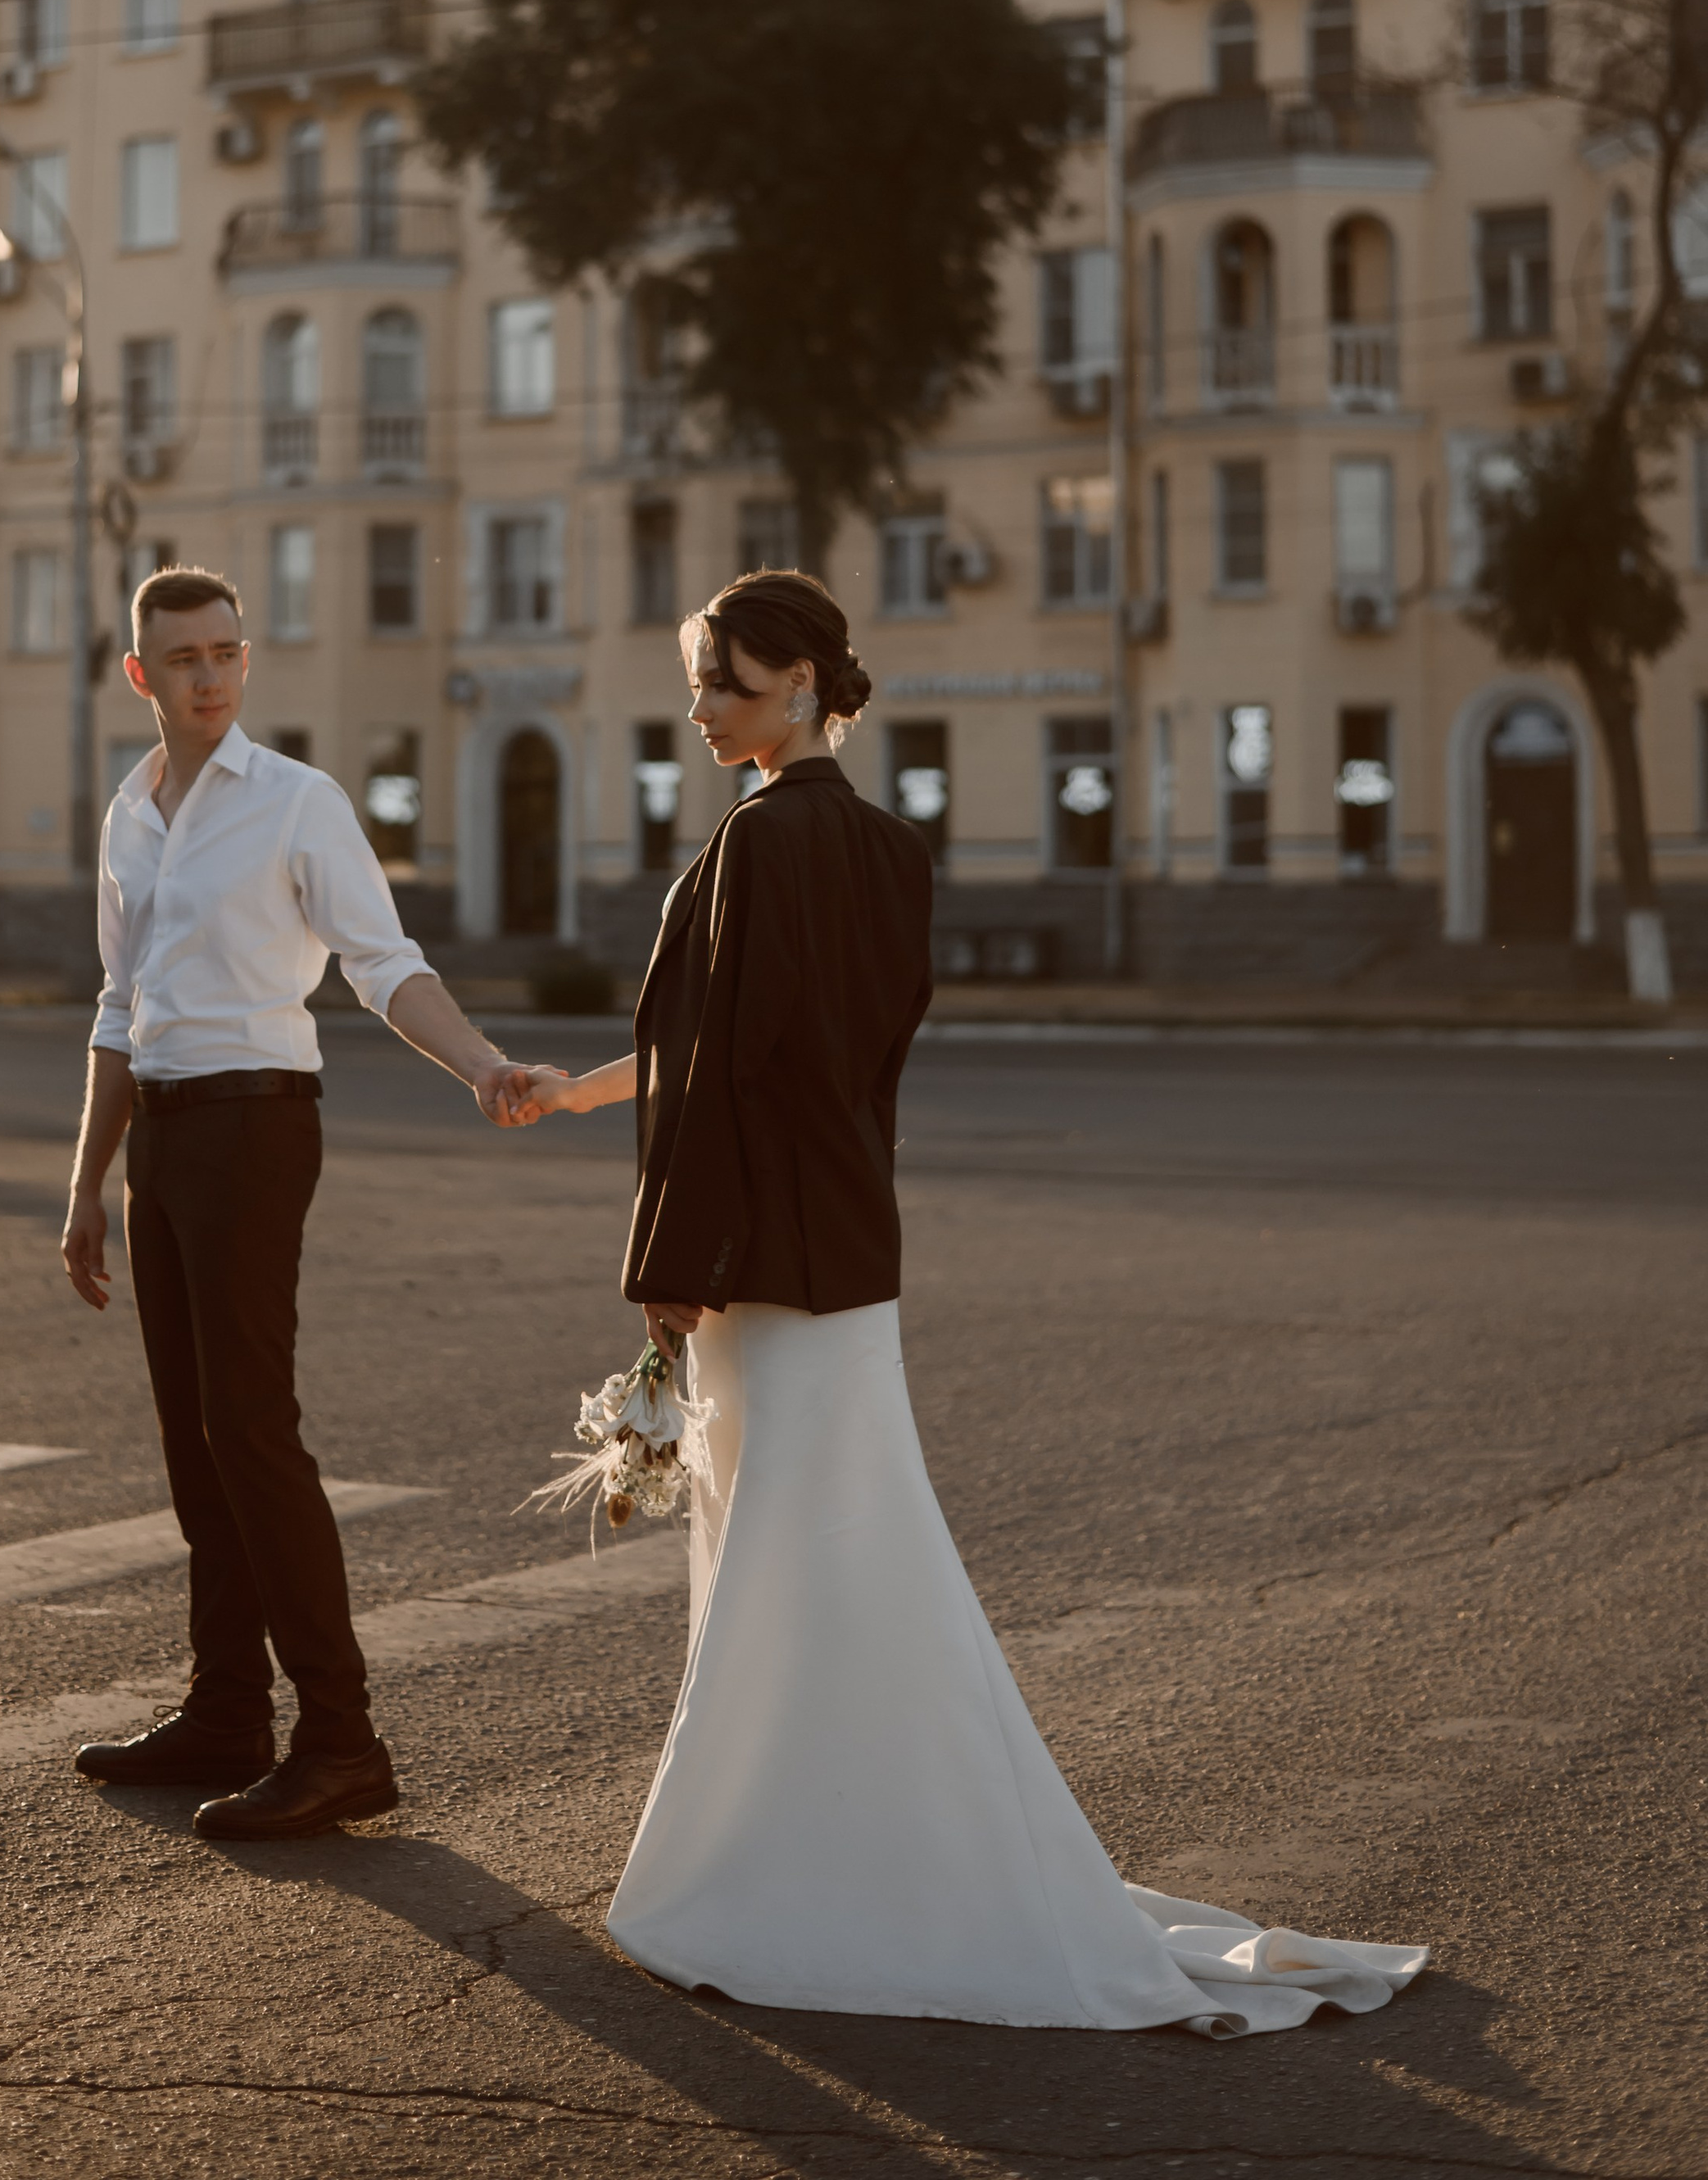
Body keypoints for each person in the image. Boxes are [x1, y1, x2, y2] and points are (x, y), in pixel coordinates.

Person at [518, 569, 1427, 2035]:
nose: (702, 710)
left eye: (730, 686)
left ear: (806, 687)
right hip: (846, 1260)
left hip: (762, 1272)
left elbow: (740, 1074)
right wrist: (586, 1094)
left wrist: (670, 1280)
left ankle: (783, 1875)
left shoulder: (762, 844)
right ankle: (883, 1854)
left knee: (784, 1570)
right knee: (846, 1560)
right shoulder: (887, 851)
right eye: (699, 682)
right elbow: (776, 1055)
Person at [61, 566, 545, 1842]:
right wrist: (87, 1187)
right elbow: (119, 1010)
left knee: (252, 1433)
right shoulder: (130, 814)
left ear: (246, 659)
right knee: (195, 1442)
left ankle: (342, 1739)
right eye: (183, 659)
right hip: (160, 1139)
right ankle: (228, 1711)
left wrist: (485, 1065)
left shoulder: (296, 803)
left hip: (256, 1126)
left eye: (227, 652)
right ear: (140, 675)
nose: (210, 676)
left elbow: (385, 965)